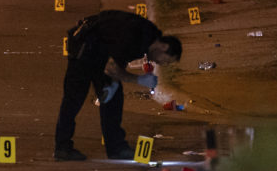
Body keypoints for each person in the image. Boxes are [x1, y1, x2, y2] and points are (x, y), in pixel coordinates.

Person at [54, 10, 182, 161]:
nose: (162, 63)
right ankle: (63, 148)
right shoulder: (138, 37)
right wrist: (138, 80)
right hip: (84, 49)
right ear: (164, 47)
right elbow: (112, 68)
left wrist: (112, 84)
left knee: (113, 98)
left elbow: (116, 62)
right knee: (74, 98)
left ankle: (116, 148)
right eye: (166, 60)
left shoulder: (147, 37)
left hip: (98, 51)